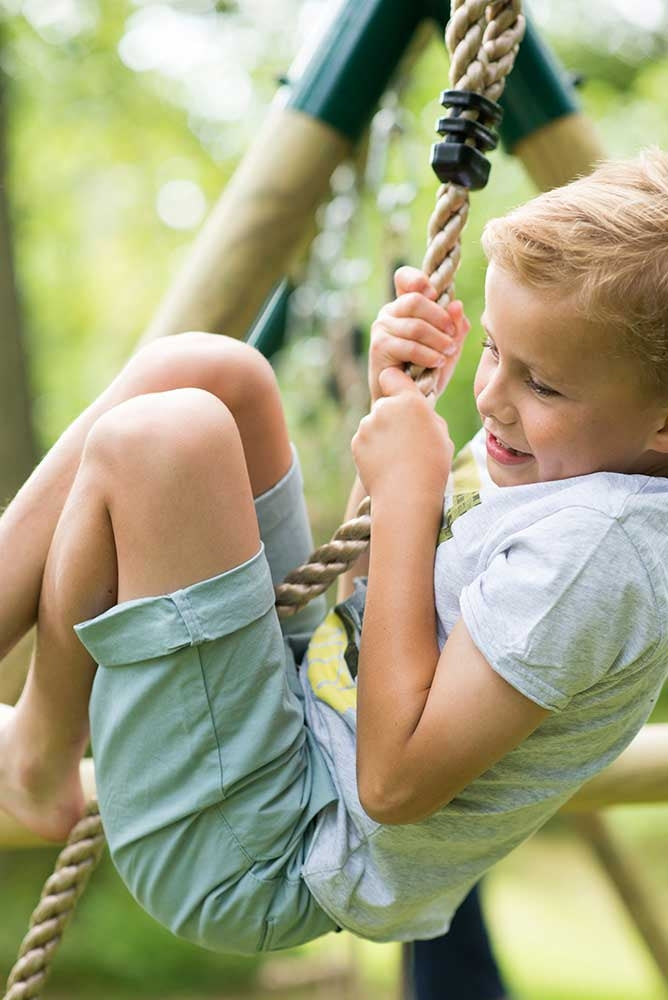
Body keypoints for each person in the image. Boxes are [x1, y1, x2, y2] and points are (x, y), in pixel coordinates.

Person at [2, 148, 668, 958]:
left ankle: (38, 759)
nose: (491, 397)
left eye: (544, 385)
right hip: (298, 727)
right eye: (494, 351)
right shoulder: (566, 466)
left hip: (266, 849)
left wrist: (411, 493)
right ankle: (40, 736)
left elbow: (390, 785)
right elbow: (369, 599)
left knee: (166, 440)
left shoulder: (601, 555)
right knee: (210, 370)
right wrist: (396, 418)